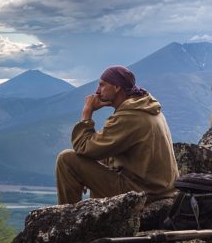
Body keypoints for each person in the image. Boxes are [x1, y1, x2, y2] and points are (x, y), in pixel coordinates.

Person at [55, 65, 179, 205]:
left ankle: (68, 216)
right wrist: (85, 173)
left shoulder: (130, 116)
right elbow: (107, 150)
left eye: (102, 85)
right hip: (159, 189)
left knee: (66, 159)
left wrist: (87, 114)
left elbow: (84, 147)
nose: (97, 91)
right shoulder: (145, 108)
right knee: (101, 162)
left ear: (116, 87)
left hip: (143, 192)